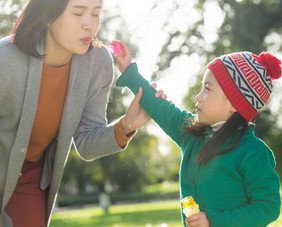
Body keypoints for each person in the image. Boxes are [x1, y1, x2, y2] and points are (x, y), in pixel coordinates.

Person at [0, 0, 166, 226]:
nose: (89, 24)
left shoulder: (98, 62)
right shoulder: (5, 59)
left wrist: (127, 125)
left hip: (31, 176)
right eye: (78, 13)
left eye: (96, 14)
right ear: (48, 15)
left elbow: (86, 143)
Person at [114, 41, 282, 226]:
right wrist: (129, 71)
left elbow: (268, 207)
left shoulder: (253, 152)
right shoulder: (191, 134)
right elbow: (160, 107)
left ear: (235, 104)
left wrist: (213, 221)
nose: (198, 96)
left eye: (207, 89)